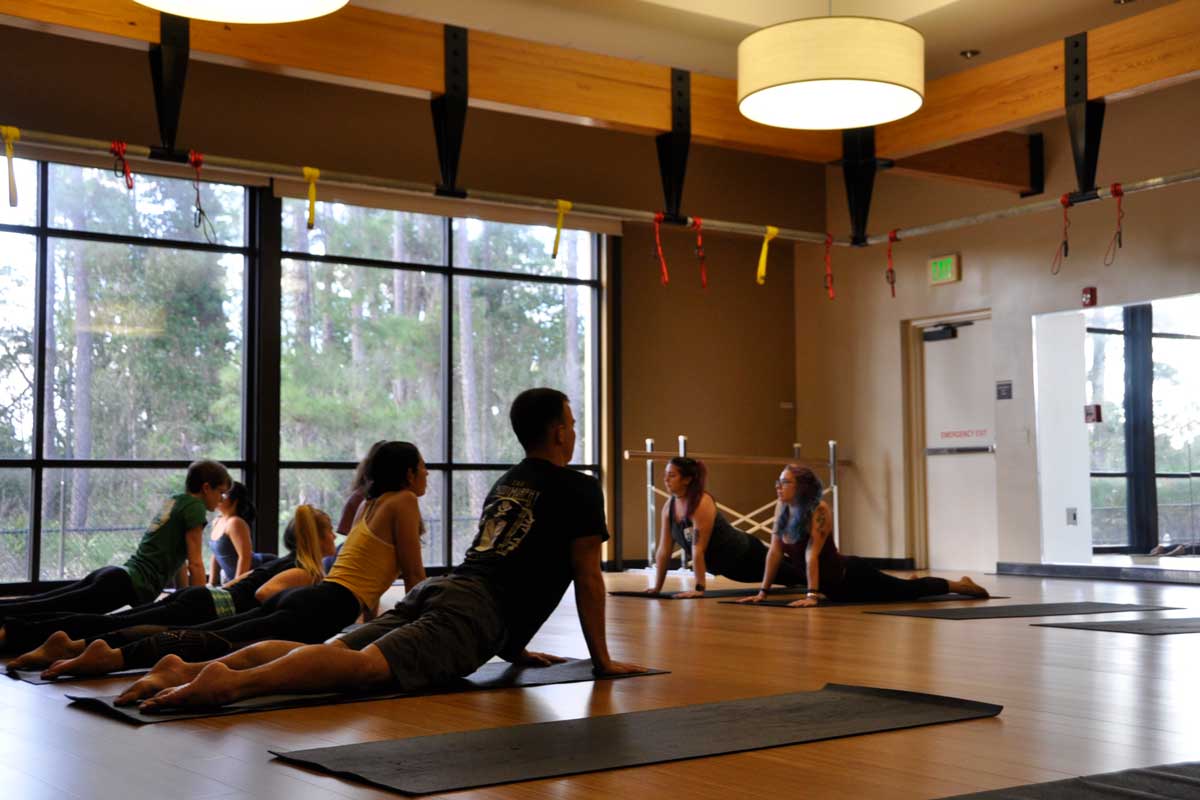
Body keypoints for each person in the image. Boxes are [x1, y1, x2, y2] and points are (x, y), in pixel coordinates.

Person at [111, 389, 643, 711]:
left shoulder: (508, 482)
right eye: (571, 424)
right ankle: (233, 683)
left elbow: (507, 556)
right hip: (474, 610)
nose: (574, 433)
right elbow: (586, 575)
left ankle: (185, 668)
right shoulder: (577, 487)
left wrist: (514, 645)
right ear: (558, 432)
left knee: (341, 651)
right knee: (365, 669)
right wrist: (601, 662)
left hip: (446, 589)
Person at [39, 443, 428, 679]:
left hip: (315, 597)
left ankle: (92, 643)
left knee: (222, 635)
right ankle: (113, 654)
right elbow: (413, 574)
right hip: (325, 603)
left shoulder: (369, 505)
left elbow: (367, 572)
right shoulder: (405, 500)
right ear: (409, 474)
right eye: (424, 467)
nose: (426, 474)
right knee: (222, 642)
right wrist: (419, 631)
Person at [3, 505, 334, 667]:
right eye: (330, 531)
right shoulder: (304, 570)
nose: (335, 537)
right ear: (316, 538)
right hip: (208, 607)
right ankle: (35, 637)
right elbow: (264, 593)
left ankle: (31, 635)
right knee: (128, 625)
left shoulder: (281, 560)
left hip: (205, 597)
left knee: (121, 623)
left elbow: (244, 581)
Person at [0, 460, 229, 623]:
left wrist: (182, 598)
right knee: (49, 609)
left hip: (116, 574)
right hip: (124, 585)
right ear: (206, 487)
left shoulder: (177, 501)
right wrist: (199, 608)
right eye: (220, 492)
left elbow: (179, 563)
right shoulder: (196, 508)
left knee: (43, 602)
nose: (221, 500)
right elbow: (196, 564)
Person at [738, 464, 988, 607]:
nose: (778, 487)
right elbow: (774, 552)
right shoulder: (781, 507)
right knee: (903, 589)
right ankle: (911, 581)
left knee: (908, 593)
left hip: (853, 577)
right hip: (835, 589)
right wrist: (763, 592)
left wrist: (811, 595)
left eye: (784, 482)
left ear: (801, 487)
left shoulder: (818, 509)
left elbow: (811, 554)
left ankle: (961, 585)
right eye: (778, 481)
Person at [645, 457, 805, 597]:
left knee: (798, 575)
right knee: (789, 575)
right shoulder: (669, 507)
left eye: (672, 475)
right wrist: (657, 588)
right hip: (729, 567)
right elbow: (664, 550)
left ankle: (821, 576)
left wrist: (699, 588)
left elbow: (698, 549)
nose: (666, 479)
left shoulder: (701, 503)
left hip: (747, 555)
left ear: (687, 479)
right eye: (666, 475)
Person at [209, 481, 267, 585]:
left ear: (235, 500)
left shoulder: (235, 522)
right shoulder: (217, 521)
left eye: (224, 494)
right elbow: (216, 554)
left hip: (263, 568)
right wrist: (211, 583)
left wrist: (236, 585)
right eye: (219, 493)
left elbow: (245, 557)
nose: (219, 497)